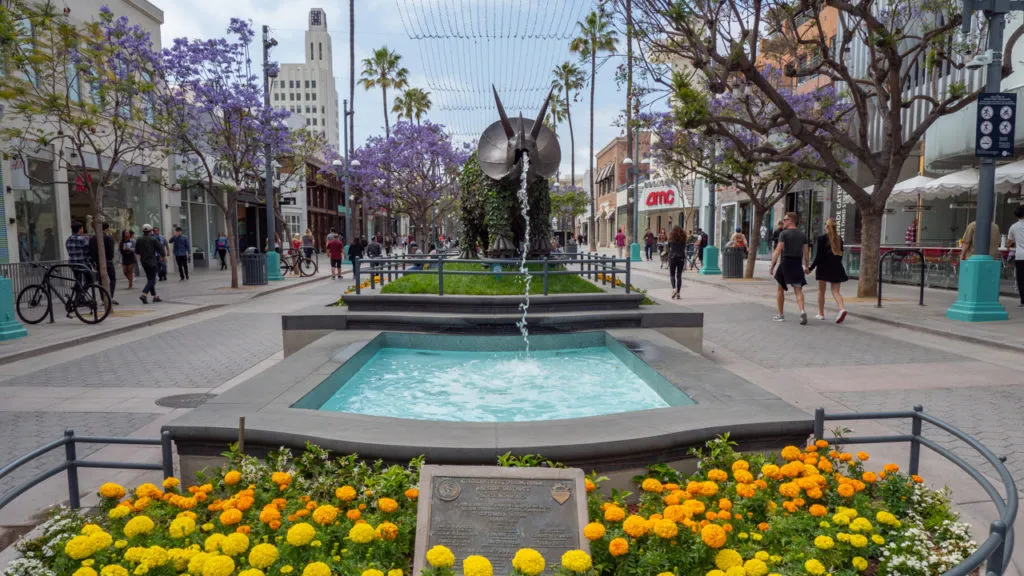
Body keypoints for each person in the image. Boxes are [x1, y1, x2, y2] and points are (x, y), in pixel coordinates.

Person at [770, 211, 810, 324]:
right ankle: (802, 311)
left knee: (780, 288)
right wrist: (806, 266)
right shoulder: (802, 235)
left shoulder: (784, 234)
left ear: (790, 220)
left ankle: (780, 314)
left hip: (786, 262)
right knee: (798, 289)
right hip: (797, 263)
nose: (783, 222)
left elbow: (778, 250)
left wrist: (772, 265)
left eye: (785, 220)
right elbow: (806, 253)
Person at [807, 218, 849, 323]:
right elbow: (840, 255)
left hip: (824, 267)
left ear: (826, 226)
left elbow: (819, 256)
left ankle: (821, 313)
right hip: (837, 267)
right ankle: (841, 308)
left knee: (821, 291)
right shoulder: (839, 239)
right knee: (836, 291)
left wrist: (811, 268)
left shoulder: (821, 238)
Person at [88, 221, 118, 304]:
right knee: (112, 279)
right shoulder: (108, 238)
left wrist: (93, 262)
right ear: (107, 228)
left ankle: (103, 298)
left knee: (100, 281)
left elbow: (90, 251)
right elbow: (111, 252)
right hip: (108, 261)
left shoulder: (92, 238)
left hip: (97, 262)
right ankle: (109, 296)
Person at [135, 224, 162, 303]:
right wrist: (164, 256)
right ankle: (144, 294)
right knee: (152, 280)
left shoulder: (139, 239)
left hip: (144, 262)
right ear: (151, 231)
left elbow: (137, 251)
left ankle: (155, 296)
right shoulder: (153, 239)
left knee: (150, 279)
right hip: (152, 262)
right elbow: (160, 248)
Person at [1007, 205, 1024, 308]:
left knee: (1021, 279)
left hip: (1020, 256)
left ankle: (1023, 301)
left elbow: (1009, 243)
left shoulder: (1013, 227)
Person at [667, 226, 688, 299]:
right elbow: (684, 247)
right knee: (679, 276)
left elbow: (668, 247)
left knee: (672, 275)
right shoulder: (683, 238)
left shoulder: (671, 238)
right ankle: (678, 293)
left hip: (672, 257)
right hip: (681, 257)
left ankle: (674, 289)